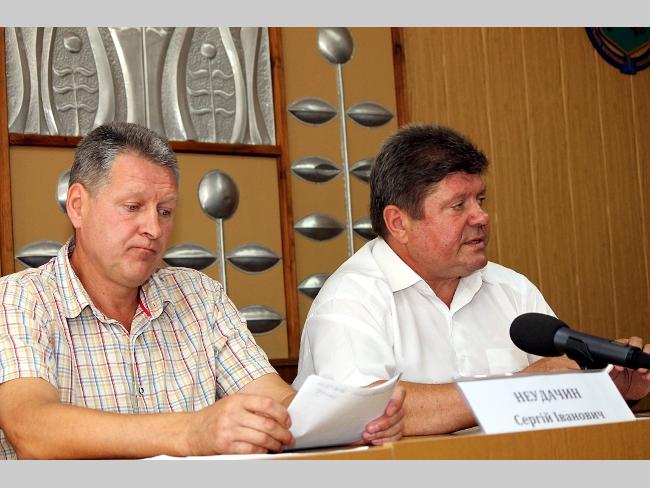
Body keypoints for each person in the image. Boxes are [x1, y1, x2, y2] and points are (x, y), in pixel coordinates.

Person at [0, 122, 404, 459]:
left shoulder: (199, 296)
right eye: (133, 207)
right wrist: (191, 432)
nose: (153, 229)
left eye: (165, 211)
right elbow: (32, 430)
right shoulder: (19, 300)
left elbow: (275, 402)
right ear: (77, 205)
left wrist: (348, 418)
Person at [294, 124, 650, 435]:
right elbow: (363, 412)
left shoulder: (512, 289)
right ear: (399, 223)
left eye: (480, 199)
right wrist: (520, 388)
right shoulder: (351, 298)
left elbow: (558, 389)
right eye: (458, 205)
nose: (481, 216)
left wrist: (612, 390)